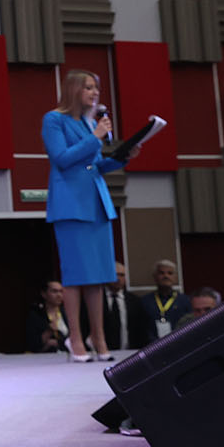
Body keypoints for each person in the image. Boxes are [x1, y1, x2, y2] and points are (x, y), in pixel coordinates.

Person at [41, 69, 132, 362]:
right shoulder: (54, 119)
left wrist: (122, 157)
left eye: (97, 88)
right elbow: (62, 159)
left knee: (98, 276)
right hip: (71, 204)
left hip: (96, 202)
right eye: (89, 87)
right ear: (74, 89)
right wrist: (95, 137)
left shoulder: (89, 122)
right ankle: (76, 338)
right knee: (75, 275)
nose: (95, 93)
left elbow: (95, 166)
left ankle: (98, 337)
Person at [131, 260, 188, 347]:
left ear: (175, 277)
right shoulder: (144, 302)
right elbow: (140, 329)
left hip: (180, 345)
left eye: (170, 273)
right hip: (151, 348)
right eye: (161, 273)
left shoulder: (185, 300)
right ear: (155, 277)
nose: (166, 276)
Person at [25, 280, 70, 353]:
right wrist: (48, 332)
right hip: (45, 356)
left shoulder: (68, 313)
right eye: (54, 291)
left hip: (67, 354)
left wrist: (57, 343)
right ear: (44, 294)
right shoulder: (36, 315)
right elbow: (33, 344)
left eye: (61, 291)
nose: (59, 295)